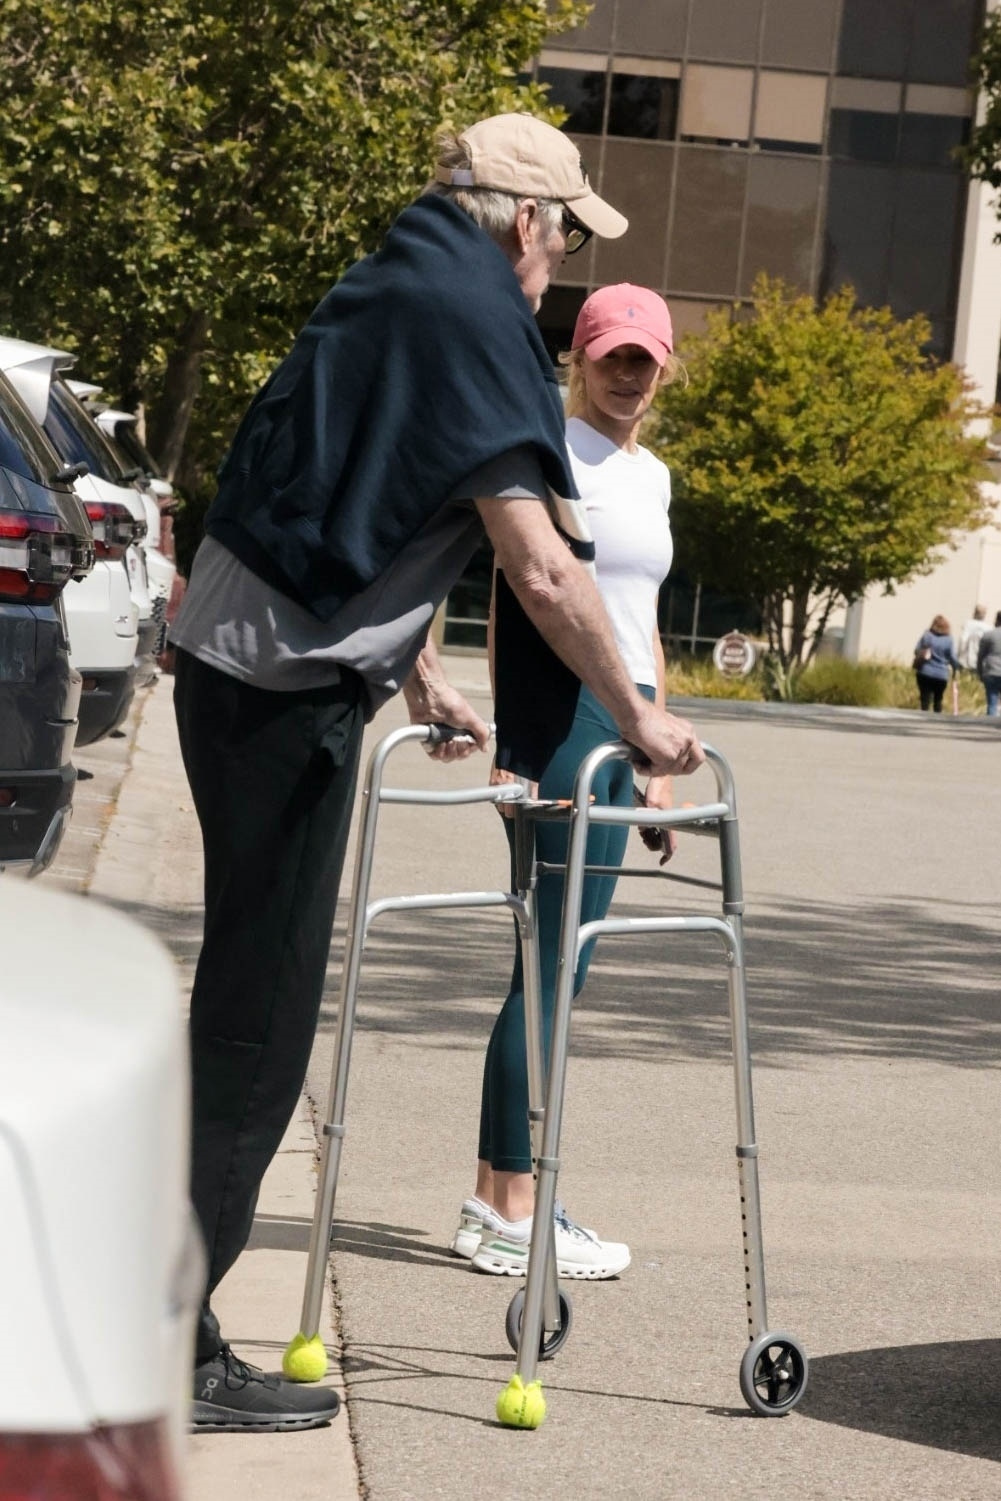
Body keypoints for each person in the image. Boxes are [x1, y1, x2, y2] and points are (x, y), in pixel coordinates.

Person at [169, 114, 705, 1433]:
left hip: (254, 669)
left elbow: (365, 488)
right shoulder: (470, 322)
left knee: (246, 1010)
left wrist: (412, 671)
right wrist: (637, 715)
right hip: (275, 697)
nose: (561, 262)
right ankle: (160, 1346)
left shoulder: (404, 282)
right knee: (254, 1032)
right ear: (523, 220)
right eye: (564, 232)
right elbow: (537, 565)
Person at [451, 284, 685, 1280]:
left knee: (566, 964)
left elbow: (641, 620)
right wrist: (518, 732)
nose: (626, 374)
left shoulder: (654, 474)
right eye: (610, 356)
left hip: (627, 712)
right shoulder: (548, 453)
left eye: (643, 358)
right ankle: (508, 1203)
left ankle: (500, 1198)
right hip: (564, 714)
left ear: (664, 366)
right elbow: (522, 593)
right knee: (547, 961)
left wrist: (658, 756)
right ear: (578, 361)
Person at [912, 614, 961, 712]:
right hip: (941, 674)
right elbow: (952, 657)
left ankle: (924, 717)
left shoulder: (927, 635)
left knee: (925, 699)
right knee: (938, 699)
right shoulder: (949, 640)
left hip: (925, 671)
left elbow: (917, 650)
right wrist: (956, 668)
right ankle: (936, 720)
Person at [976, 609, 1001, 716]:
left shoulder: (988, 635)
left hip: (991, 671)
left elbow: (981, 656)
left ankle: (990, 724)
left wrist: (980, 672)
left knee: (992, 702)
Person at [959, 604, 988, 671]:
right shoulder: (987, 628)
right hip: (979, 662)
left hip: (965, 660)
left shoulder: (967, 624)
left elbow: (963, 640)